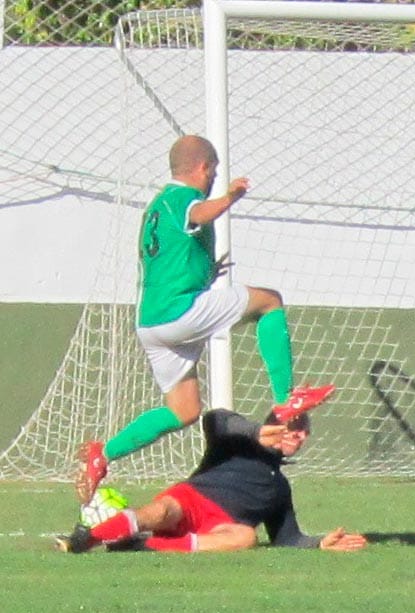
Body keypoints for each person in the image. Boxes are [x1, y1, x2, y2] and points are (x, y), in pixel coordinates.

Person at [76, 134, 334, 504]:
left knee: (184, 410)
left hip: (152, 324)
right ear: (203, 167)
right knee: (269, 302)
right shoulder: (183, 197)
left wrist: (204, 273)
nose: (212, 178)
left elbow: (169, 257)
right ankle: (287, 399)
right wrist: (230, 198)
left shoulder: (155, 207)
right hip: (180, 312)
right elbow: (198, 213)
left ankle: (104, 454)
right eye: (212, 171)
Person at [57, 408, 367, 554]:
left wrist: (320, 544)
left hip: (217, 527)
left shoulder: (279, 488)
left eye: (304, 431)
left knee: (246, 538)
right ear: (273, 424)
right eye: (294, 425)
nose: (300, 434)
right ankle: (86, 540)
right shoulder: (237, 441)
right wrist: (254, 431)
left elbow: (287, 539)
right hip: (190, 500)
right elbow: (214, 418)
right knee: (162, 512)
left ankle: (141, 546)